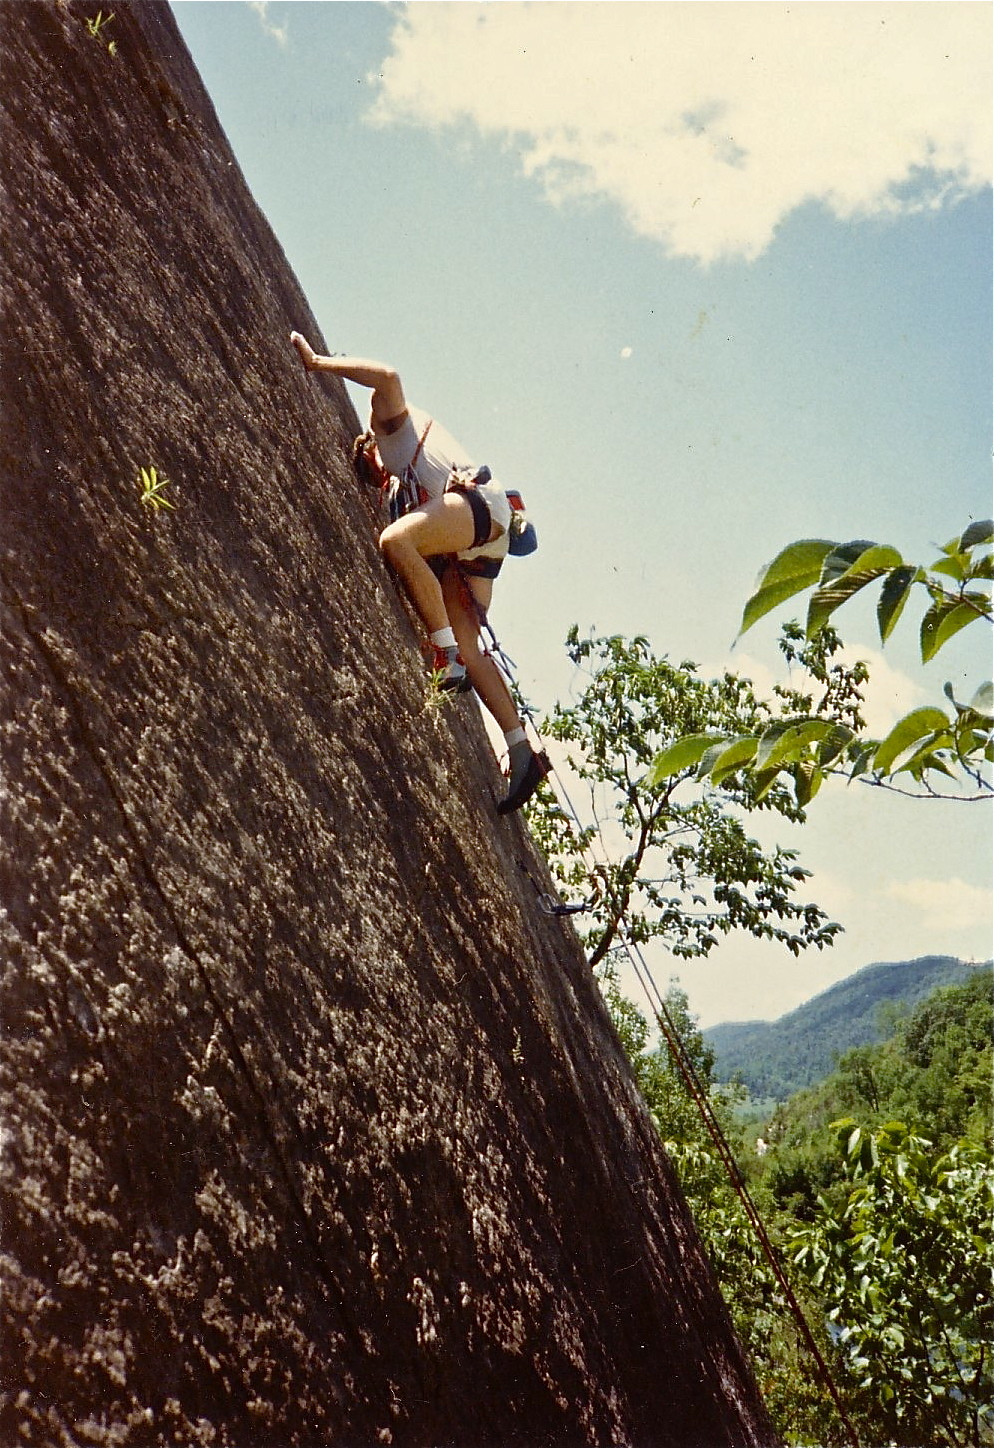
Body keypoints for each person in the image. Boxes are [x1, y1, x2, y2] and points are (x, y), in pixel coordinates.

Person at [290, 331, 548, 815]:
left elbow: (387, 377)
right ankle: (521, 749)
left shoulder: (393, 429)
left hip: (477, 506)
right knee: (474, 647)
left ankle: (444, 656)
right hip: (478, 535)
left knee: (395, 541)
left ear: (369, 440)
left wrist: (318, 363)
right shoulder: (398, 482)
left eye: (363, 457)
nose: (370, 467)